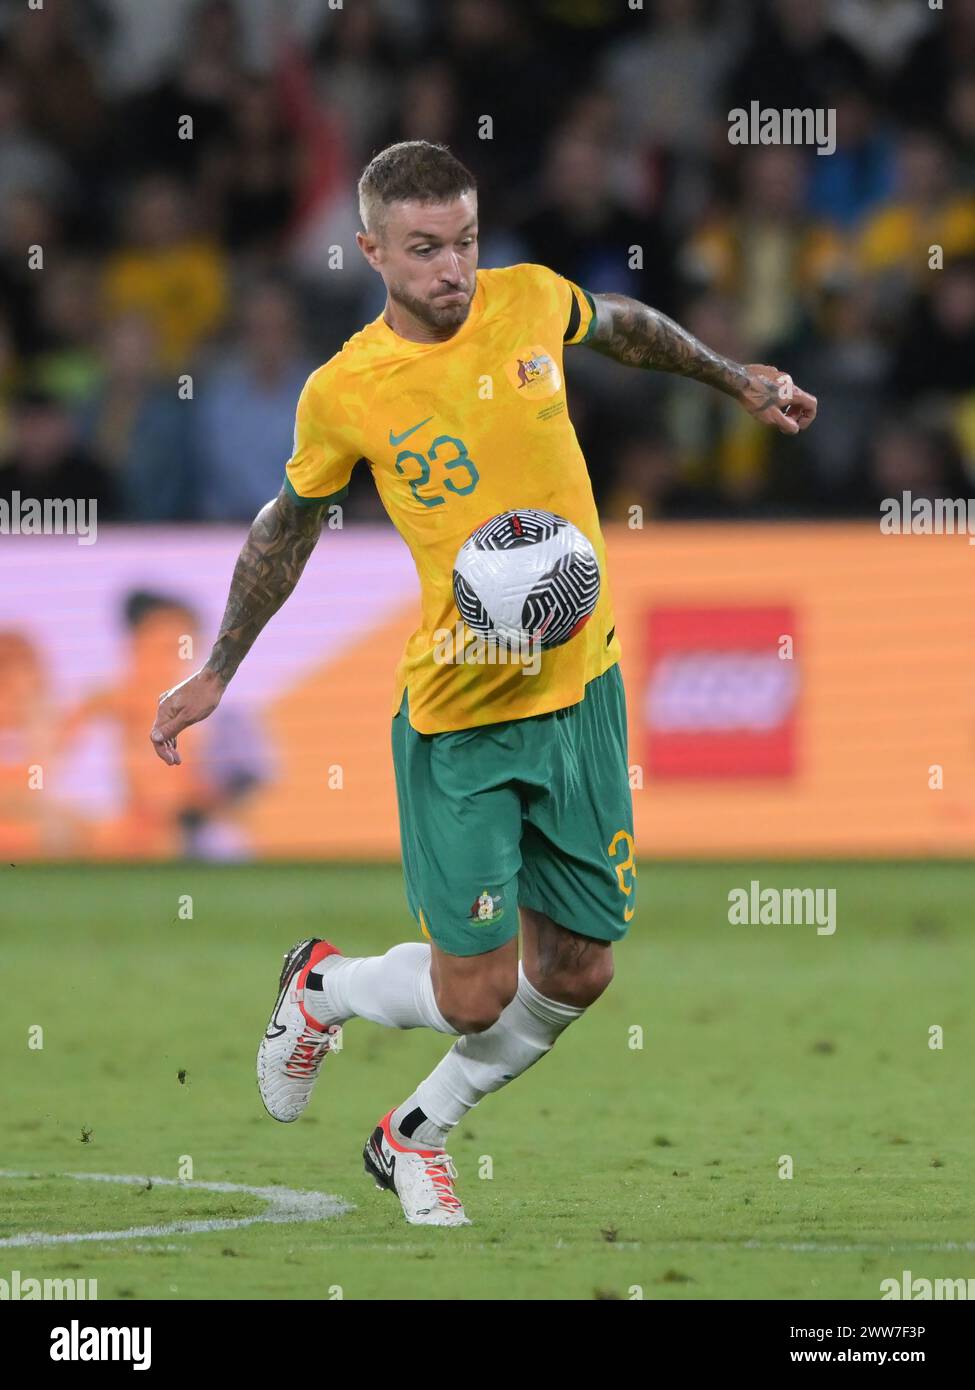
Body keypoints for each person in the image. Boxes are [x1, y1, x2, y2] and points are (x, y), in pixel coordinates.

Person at [149, 140, 817, 1227]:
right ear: (371, 250)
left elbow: (628, 326)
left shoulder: (532, 302)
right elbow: (289, 526)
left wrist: (736, 377)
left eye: (463, 241)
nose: (451, 269)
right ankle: (322, 986)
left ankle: (411, 1133)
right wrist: (221, 665)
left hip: (584, 693)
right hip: (461, 717)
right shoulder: (347, 391)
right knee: (478, 991)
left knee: (582, 971)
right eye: (423, 251)